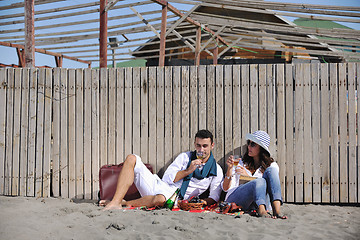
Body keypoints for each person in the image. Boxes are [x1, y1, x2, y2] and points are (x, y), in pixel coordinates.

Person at [102, 129, 223, 210]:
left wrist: (199, 202)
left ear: (212, 145)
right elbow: (166, 179)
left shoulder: (216, 170)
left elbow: (214, 197)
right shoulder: (185, 157)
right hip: (159, 185)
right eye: (198, 145)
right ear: (194, 144)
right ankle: (116, 202)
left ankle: (125, 203)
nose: (201, 150)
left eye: (205, 146)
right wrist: (188, 171)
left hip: (174, 198)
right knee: (131, 158)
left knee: (160, 199)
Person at [222, 130, 287, 219]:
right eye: (249, 143)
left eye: (253, 144)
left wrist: (247, 177)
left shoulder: (271, 166)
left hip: (257, 203)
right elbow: (226, 188)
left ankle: (277, 210)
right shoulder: (241, 163)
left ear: (261, 148)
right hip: (237, 198)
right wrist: (229, 169)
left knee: (271, 171)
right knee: (259, 181)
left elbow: (270, 186)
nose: (249, 146)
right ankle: (261, 211)